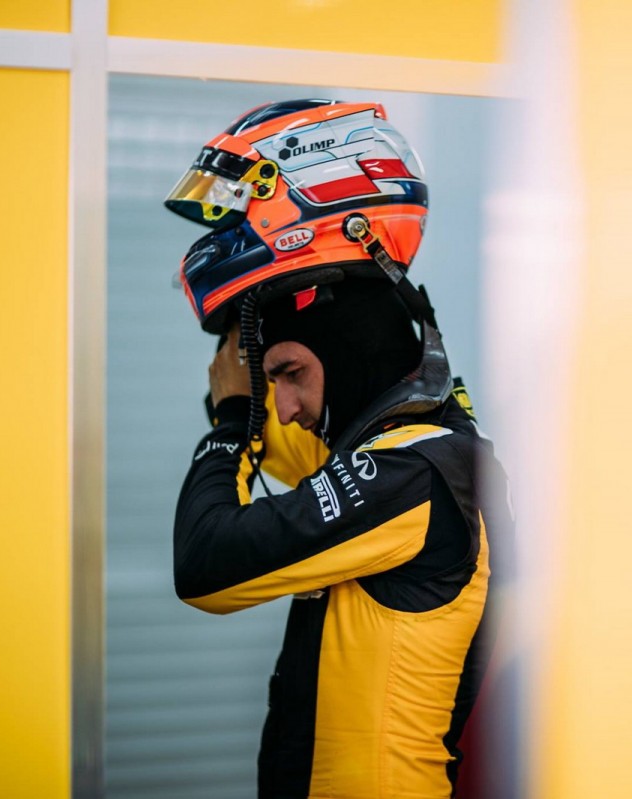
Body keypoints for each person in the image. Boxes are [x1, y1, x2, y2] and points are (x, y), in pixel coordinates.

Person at [164, 99, 510, 798]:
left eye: (290, 374)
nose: (285, 407)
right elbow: (278, 443)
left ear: (349, 350)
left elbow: (206, 563)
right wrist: (250, 365)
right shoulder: (383, 443)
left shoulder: (417, 473)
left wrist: (232, 417)